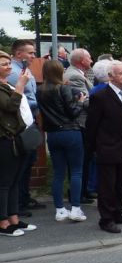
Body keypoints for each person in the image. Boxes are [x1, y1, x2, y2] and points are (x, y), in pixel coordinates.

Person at [85, 60, 122, 233]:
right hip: (106, 148)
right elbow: (92, 125)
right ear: (110, 76)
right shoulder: (100, 97)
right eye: (121, 73)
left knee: (121, 184)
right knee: (107, 186)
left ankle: (117, 213)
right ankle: (106, 220)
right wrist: (92, 148)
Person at [37, 60, 88, 222]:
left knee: (58, 173)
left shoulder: (40, 90)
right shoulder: (63, 88)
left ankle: (59, 210)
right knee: (76, 171)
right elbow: (73, 112)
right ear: (60, 72)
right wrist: (80, 102)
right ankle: (75, 208)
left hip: (52, 134)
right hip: (70, 132)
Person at [0, 51, 37, 236]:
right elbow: (10, 107)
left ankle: (13, 217)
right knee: (5, 182)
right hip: (4, 141)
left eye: (8, 63)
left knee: (14, 180)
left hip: (16, 138)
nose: (8, 66)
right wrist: (21, 86)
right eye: (4, 64)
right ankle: (3, 222)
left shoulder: (6, 85)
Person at [7, 40, 45, 215]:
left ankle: (24, 197)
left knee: (29, 161)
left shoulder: (25, 69)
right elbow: (19, 98)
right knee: (21, 164)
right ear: (18, 53)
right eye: (30, 53)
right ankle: (18, 203)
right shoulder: (14, 73)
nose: (33, 56)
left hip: (29, 122)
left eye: (34, 52)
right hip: (21, 124)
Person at [65, 48, 97, 205]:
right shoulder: (74, 76)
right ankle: (78, 194)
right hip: (81, 123)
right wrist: (102, 100)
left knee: (86, 159)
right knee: (82, 161)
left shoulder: (78, 73)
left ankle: (84, 191)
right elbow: (84, 101)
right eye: (89, 57)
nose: (91, 60)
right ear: (81, 60)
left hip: (83, 123)